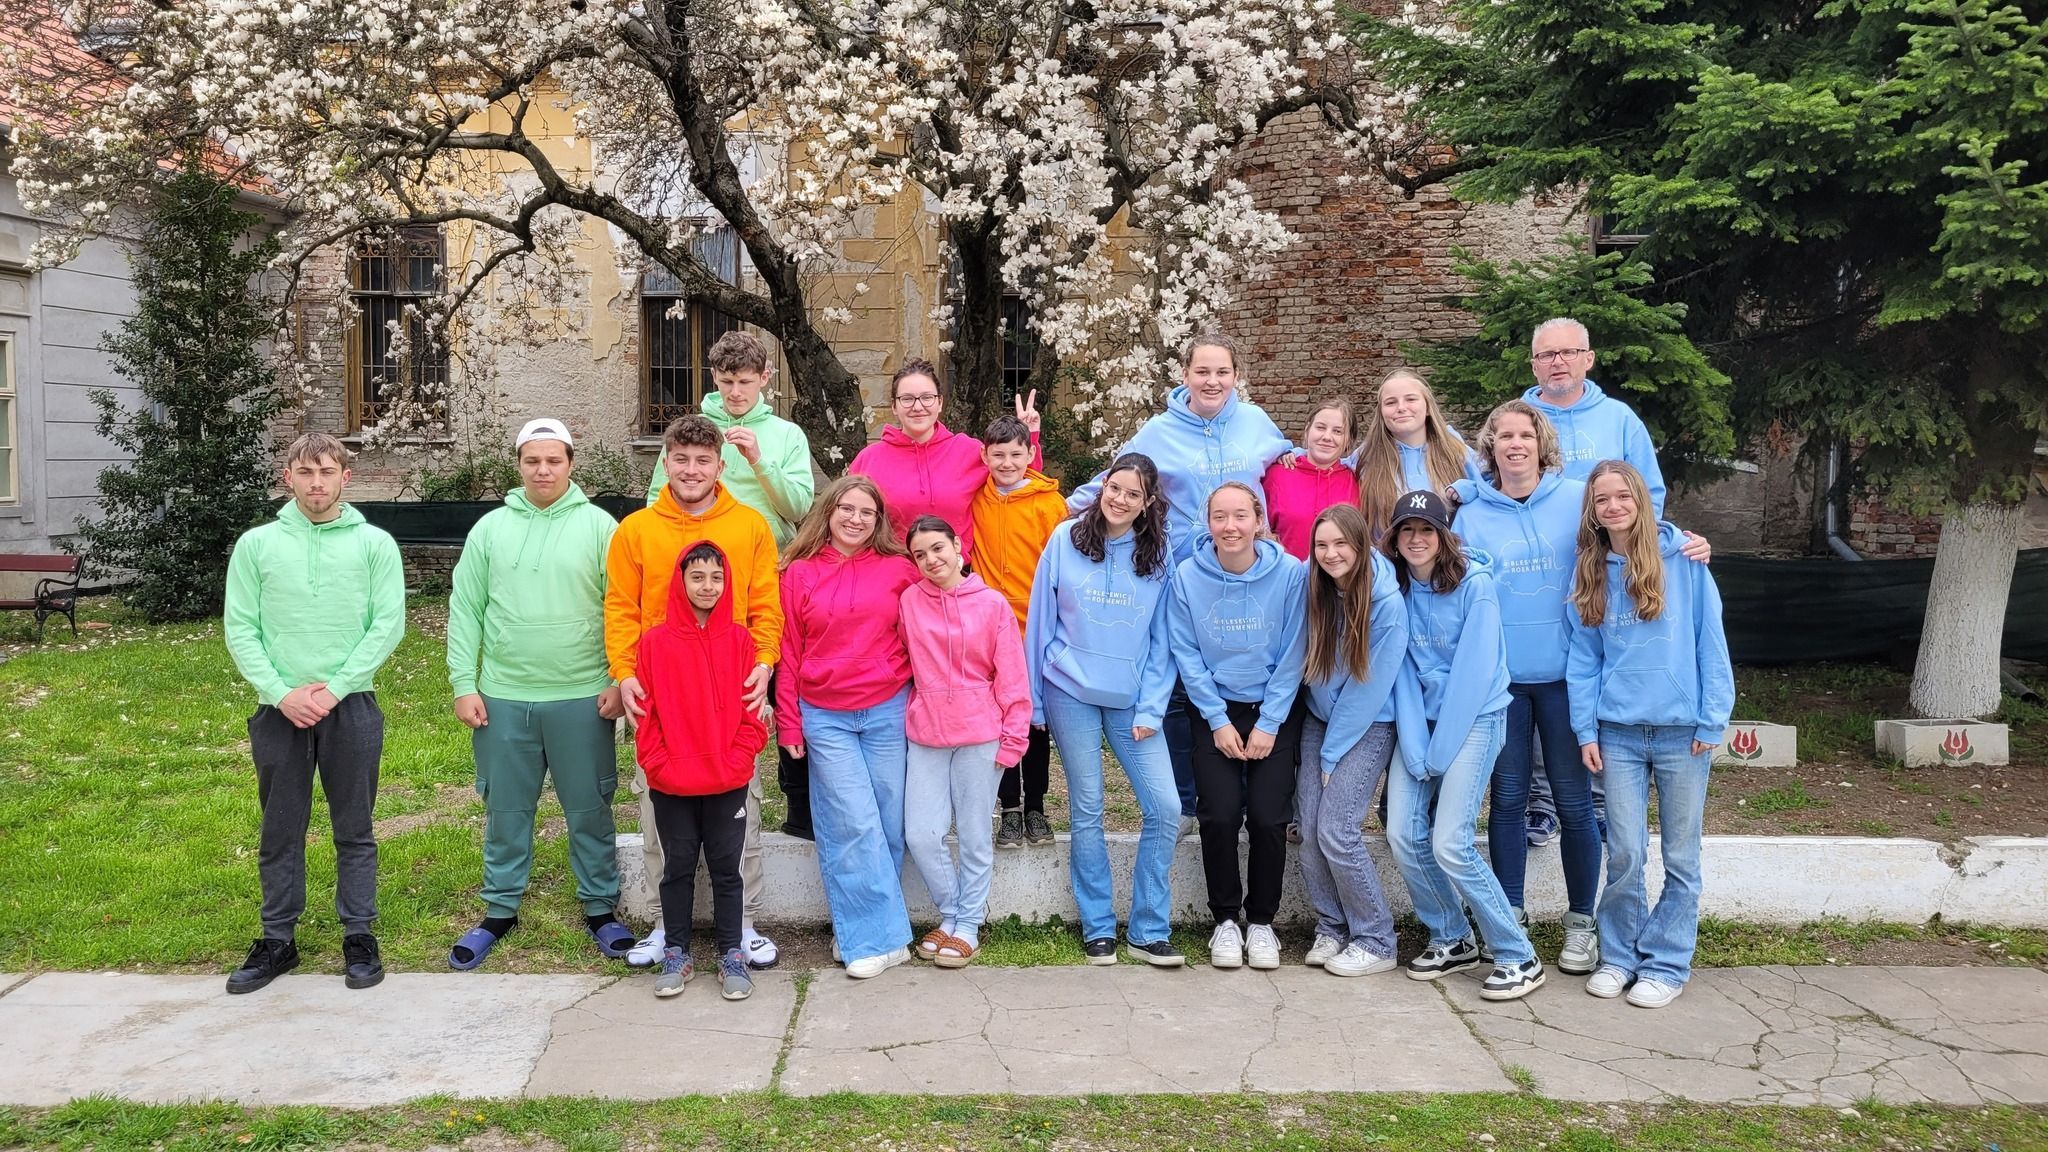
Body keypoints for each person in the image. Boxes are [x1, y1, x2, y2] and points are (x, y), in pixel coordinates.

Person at [635, 331, 816, 962]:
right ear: (713, 379)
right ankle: (667, 921)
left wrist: (759, 459)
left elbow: (799, 509)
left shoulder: (786, 436)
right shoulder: (692, 434)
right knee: (659, 778)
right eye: (725, 380)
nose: (735, 391)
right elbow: (659, 511)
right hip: (677, 632)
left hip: (743, 624)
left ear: (765, 378)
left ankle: (749, 921)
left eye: (746, 380)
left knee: (745, 787)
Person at [1067, 333, 1293, 830]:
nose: (1212, 382)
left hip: (1245, 569)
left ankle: (1266, 795)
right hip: (1182, 573)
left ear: (1237, 377)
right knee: (1176, 683)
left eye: (1223, 372)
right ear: (1184, 375)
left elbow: (1288, 460)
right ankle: (1188, 798)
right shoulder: (1158, 430)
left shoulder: (1255, 422)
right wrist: (1047, 505)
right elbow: (1116, 477)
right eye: (1202, 372)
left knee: (1252, 666)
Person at [221, 432, 405, 994]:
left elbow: (387, 624)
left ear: (346, 477)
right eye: (305, 472)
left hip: (351, 707)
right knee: (281, 829)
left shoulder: (375, 545)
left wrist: (336, 689)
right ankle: (278, 939)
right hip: (278, 710)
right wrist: (281, 692)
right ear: (288, 477)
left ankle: (359, 934)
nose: (317, 482)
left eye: (327, 471)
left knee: (355, 827)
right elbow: (241, 629)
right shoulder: (257, 545)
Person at [445, 419, 627, 970]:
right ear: (518, 464)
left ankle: (601, 908)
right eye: (532, 461)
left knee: (590, 807)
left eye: (553, 460)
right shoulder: (490, 530)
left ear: (571, 463)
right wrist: (463, 683)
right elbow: (466, 609)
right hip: (503, 697)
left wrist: (620, 679)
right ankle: (499, 909)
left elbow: (623, 607)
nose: (542, 470)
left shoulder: (601, 528)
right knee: (505, 809)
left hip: (582, 695)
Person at [606, 414, 783, 968]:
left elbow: (765, 606)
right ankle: (666, 926)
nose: (691, 470)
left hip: (731, 694)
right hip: (661, 696)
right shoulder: (636, 530)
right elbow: (620, 607)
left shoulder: (750, 526)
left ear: (719, 466)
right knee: (660, 814)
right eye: (680, 459)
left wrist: (764, 663)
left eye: (702, 460)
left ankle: (745, 921)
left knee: (743, 810)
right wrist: (625, 671)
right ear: (666, 463)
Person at [1567, 460, 1734, 1009]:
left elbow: (1711, 642)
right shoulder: (1590, 570)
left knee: (1681, 856)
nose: (1613, 507)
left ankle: (1666, 962)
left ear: (1641, 500)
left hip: (1681, 733)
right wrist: (1585, 727)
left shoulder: (1685, 560)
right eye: (1601, 500)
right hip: (1616, 732)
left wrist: (1713, 716)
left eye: (1622, 497)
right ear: (1592, 511)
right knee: (1625, 855)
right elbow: (1584, 661)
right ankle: (1619, 956)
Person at [1449, 401, 1602, 977]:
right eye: (1504, 436)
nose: (1515, 444)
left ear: (1542, 445)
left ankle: (1581, 923)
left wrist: (1683, 539)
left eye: (1525, 435)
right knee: (1508, 800)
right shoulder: (1469, 513)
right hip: (1502, 684)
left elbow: (1627, 528)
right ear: (1489, 449)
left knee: (1573, 802)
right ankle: (1507, 918)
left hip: (1566, 678)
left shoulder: (1577, 499)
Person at [1381, 489, 1543, 1001]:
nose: (1416, 539)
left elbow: (1473, 677)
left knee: (1449, 842)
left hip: (1476, 718)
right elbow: (1400, 672)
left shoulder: (1475, 585)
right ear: (1395, 536)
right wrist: (1415, 744)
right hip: (1421, 725)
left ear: (1444, 535)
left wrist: (1439, 752)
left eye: (1426, 529)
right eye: (1407, 530)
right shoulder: (1396, 587)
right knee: (1402, 832)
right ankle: (1451, 936)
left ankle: (1518, 954)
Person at [1025, 452, 1185, 967]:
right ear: (1103, 488)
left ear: (1147, 503)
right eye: (1115, 488)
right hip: (1069, 690)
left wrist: (1152, 708)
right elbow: (1039, 622)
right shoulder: (1065, 540)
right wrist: (1033, 699)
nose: (1120, 499)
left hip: (1133, 701)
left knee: (1165, 807)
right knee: (1088, 809)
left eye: (1133, 494)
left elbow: (1164, 641)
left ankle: (1147, 927)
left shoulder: (1160, 555)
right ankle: (1098, 927)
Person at [777, 475, 921, 979]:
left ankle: (860, 928)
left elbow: (925, 630)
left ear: (879, 520)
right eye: (847, 508)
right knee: (851, 823)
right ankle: (874, 940)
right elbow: (788, 653)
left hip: (886, 708)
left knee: (887, 823)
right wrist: (789, 724)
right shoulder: (798, 573)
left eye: (867, 512)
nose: (856, 519)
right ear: (829, 512)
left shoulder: (900, 569)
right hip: (825, 713)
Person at [1169, 482, 1309, 971]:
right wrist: (1216, 720)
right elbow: (1185, 651)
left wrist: (1269, 722)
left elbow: (1296, 649)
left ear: (1258, 520)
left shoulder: (1289, 574)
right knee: (1221, 814)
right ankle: (1227, 920)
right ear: (1208, 523)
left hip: (1275, 707)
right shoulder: (1187, 575)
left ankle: (1263, 923)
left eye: (1240, 516)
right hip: (1214, 710)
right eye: (1220, 517)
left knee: (1270, 817)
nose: (1230, 527)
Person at [635, 542, 767, 1001]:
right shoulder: (654, 643)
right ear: (681, 580)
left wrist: (739, 760)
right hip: (671, 782)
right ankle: (677, 951)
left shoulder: (740, 641)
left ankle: (732, 953)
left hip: (727, 780)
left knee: (727, 869)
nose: (707, 586)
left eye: (716, 577)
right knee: (678, 868)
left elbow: (754, 714)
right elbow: (646, 717)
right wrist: (657, 765)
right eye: (698, 577)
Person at [900, 516, 1032, 968]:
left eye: (938, 548)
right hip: (928, 732)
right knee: (920, 832)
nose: (931, 560)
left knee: (975, 834)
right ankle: (952, 912)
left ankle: (969, 926)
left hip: (981, 734)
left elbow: (1012, 674)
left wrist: (1014, 739)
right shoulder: (909, 602)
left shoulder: (991, 603)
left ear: (958, 546)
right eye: (920, 555)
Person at [1296, 504, 1407, 977]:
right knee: (1307, 827)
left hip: (1367, 724)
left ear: (1362, 545)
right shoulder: (1313, 584)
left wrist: (1331, 752)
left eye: (1341, 544)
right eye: (1322, 545)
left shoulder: (1386, 603)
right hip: (1319, 720)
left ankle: (1378, 939)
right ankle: (1332, 925)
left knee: (1337, 829)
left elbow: (1370, 689)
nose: (1331, 553)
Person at [968, 414, 1068, 849]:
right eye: (998, 454)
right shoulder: (977, 500)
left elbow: (1065, 568)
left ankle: (1037, 807)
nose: (1007, 462)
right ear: (985, 456)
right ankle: (1009, 808)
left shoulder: (1050, 505)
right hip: (991, 630)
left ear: (1031, 455)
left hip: (1037, 628)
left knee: (1034, 721)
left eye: (1016, 454)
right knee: (1001, 720)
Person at [848, 358, 1040, 557]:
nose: (917, 406)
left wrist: (1028, 436)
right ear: (894, 407)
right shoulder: (870, 459)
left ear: (940, 402)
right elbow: (846, 519)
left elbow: (1021, 484)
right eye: (907, 399)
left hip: (959, 577)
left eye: (927, 397)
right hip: (895, 577)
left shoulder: (969, 451)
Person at [1355, 370, 1480, 543]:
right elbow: (1327, 467)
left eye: (1411, 399)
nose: (1401, 407)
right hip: (1389, 565)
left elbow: (1497, 483)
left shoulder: (1455, 451)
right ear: (1381, 413)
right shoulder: (1366, 457)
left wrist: (1473, 488)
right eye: (1391, 402)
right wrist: (1303, 457)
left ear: (1428, 407)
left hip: (1449, 563)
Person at [1262, 397, 1359, 560]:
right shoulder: (1276, 475)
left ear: (1348, 440)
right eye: (1320, 428)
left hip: (1339, 581)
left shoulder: (1356, 481)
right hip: (1289, 579)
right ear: (1307, 430)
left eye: (1338, 431)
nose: (1327, 437)